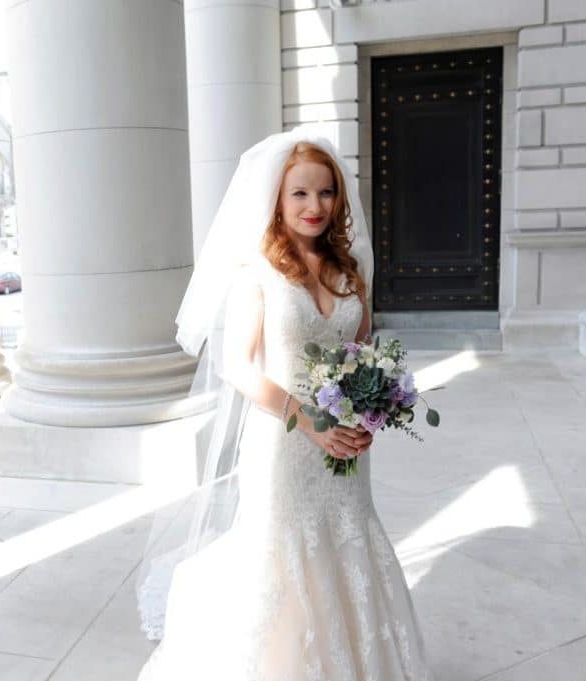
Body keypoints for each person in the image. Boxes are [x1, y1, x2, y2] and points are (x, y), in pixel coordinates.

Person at [136, 129, 431, 680]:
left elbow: (361, 351)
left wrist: (370, 410)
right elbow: (239, 366)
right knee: (285, 556)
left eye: (325, 193)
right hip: (284, 443)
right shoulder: (259, 272)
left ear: (339, 199)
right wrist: (312, 420)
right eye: (300, 193)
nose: (314, 206)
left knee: (348, 542)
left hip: (344, 446)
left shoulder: (351, 272)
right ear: (277, 197)